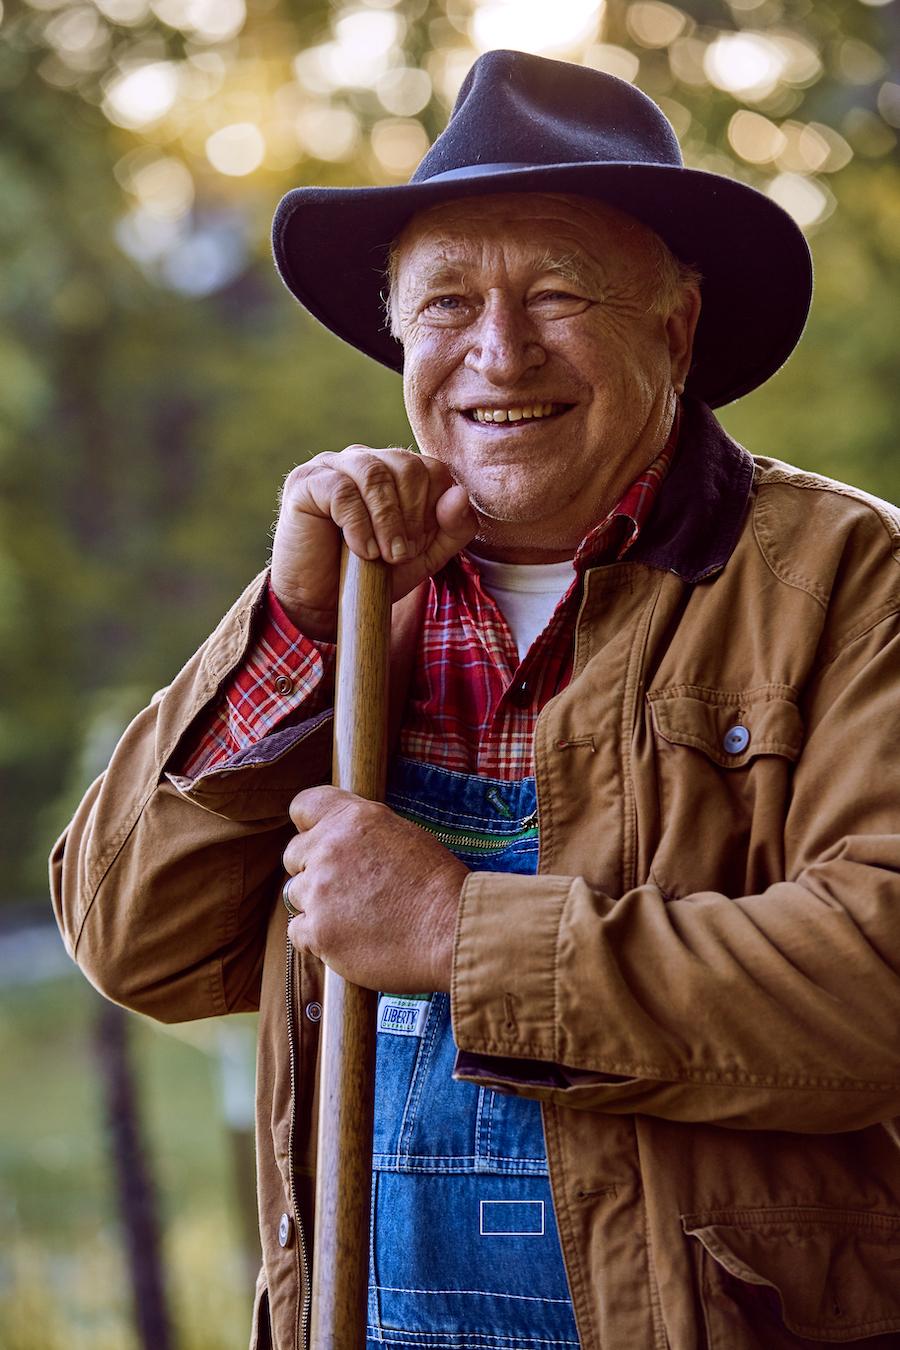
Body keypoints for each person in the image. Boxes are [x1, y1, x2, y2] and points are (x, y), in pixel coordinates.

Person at [52, 48, 900, 1350]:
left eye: (558, 292)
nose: (497, 351)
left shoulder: (849, 575)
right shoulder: (351, 590)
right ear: (399, 331)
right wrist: (294, 628)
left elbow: (877, 983)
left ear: (674, 328)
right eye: (447, 302)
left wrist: (458, 933)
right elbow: (133, 939)